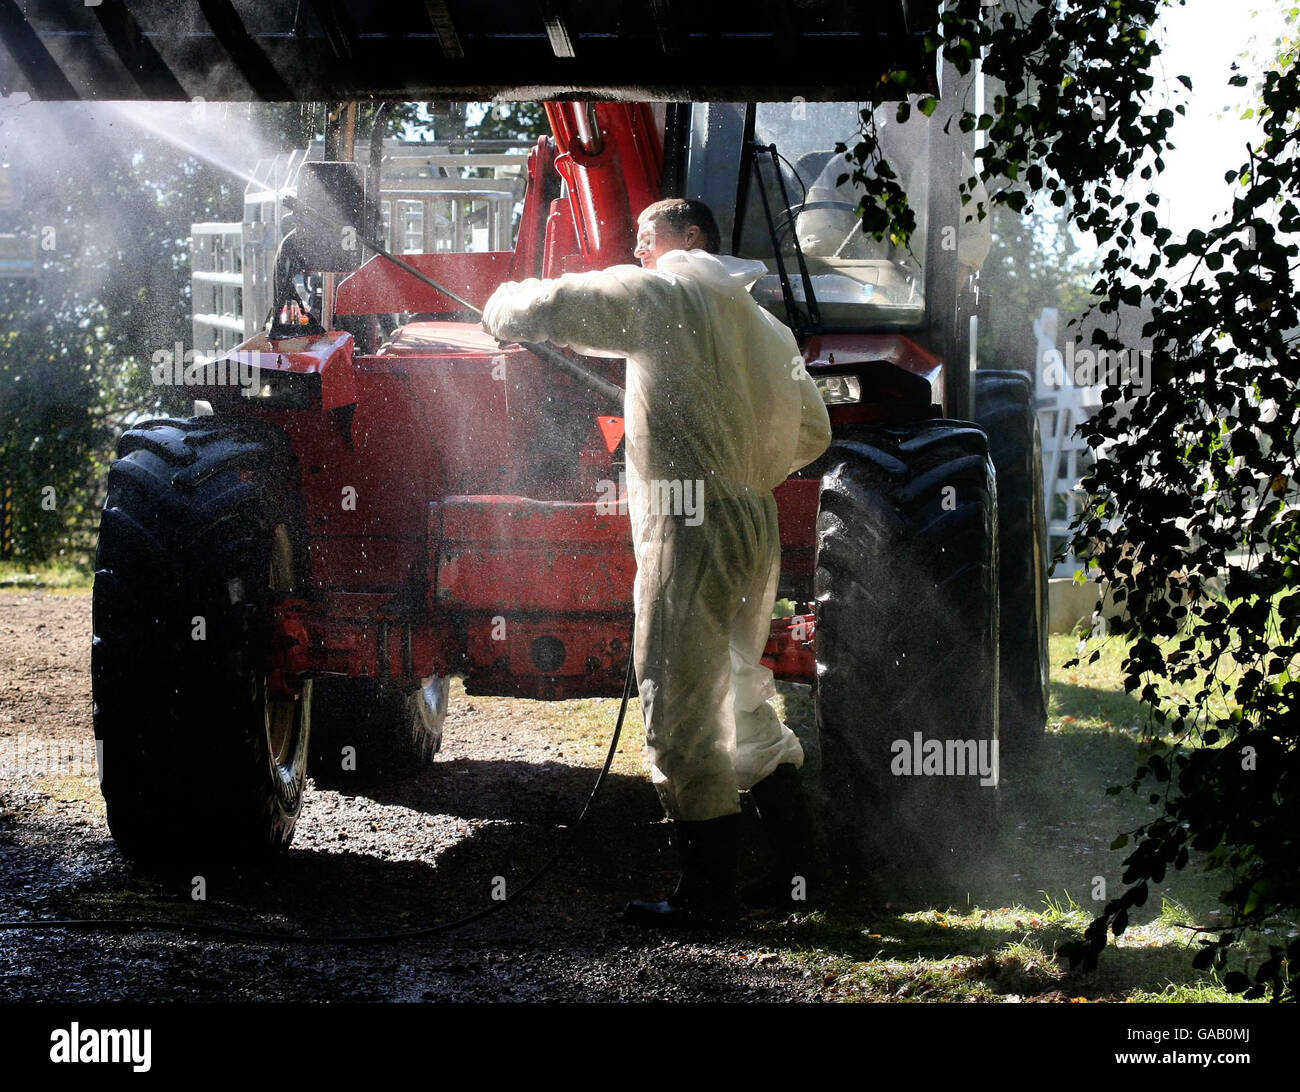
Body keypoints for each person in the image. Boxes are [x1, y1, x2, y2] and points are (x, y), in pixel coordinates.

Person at [481, 198, 832, 926]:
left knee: (678, 705)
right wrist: (738, 451)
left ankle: (705, 899)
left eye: (648, 236)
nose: (638, 250)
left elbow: (562, 302)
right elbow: (814, 433)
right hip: (751, 518)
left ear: (691, 237)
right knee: (738, 691)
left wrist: (499, 307)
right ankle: (802, 873)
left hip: (690, 521)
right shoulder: (768, 328)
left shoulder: (665, 292)